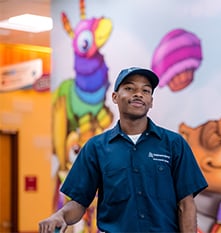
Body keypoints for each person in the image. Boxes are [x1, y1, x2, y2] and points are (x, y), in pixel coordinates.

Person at [39, 67, 208, 233]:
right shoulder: (96, 148)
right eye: (129, 88)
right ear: (115, 97)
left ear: (151, 101)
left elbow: (186, 205)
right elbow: (79, 203)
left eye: (146, 90)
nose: (138, 94)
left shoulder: (174, 144)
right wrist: (60, 216)